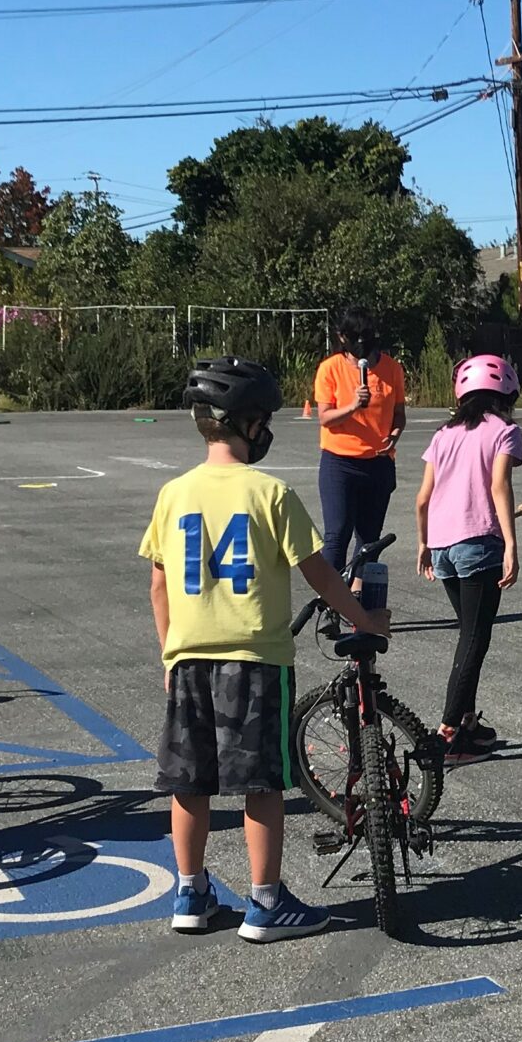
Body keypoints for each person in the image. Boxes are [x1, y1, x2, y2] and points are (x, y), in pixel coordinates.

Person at [142, 356, 385, 940]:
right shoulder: (271, 492)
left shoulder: (173, 494)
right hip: (256, 659)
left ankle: (190, 892)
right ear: (247, 424)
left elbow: (159, 584)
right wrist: (365, 618)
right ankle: (265, 901)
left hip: (191, 656)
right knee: (261, 783)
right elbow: (320, 574)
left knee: (189, 781)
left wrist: (169, 655)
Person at [414, 353, 522, 763]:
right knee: (474, 640)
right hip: (479, 542)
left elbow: (423, 497)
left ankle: (468, 726)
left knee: (468, 633)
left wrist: (423, 543)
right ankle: (447, 735)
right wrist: (511, 544)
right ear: (507, 393)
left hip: (442, 545)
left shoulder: (443, 434)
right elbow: (499, 486)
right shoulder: (504, 430)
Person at [310, 308, 408, 576]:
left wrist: (394, 435)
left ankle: (358, 598)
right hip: (340, 462)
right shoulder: (330, 369)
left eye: (368, 337)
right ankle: (330, 600)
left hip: (378, 462)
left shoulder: (392, 368)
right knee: (337, 533)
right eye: (356, 338)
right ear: (343, 337)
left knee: (369, 539)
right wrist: (353, 405)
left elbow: (399, 415)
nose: (363, 344)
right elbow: (326, 418)